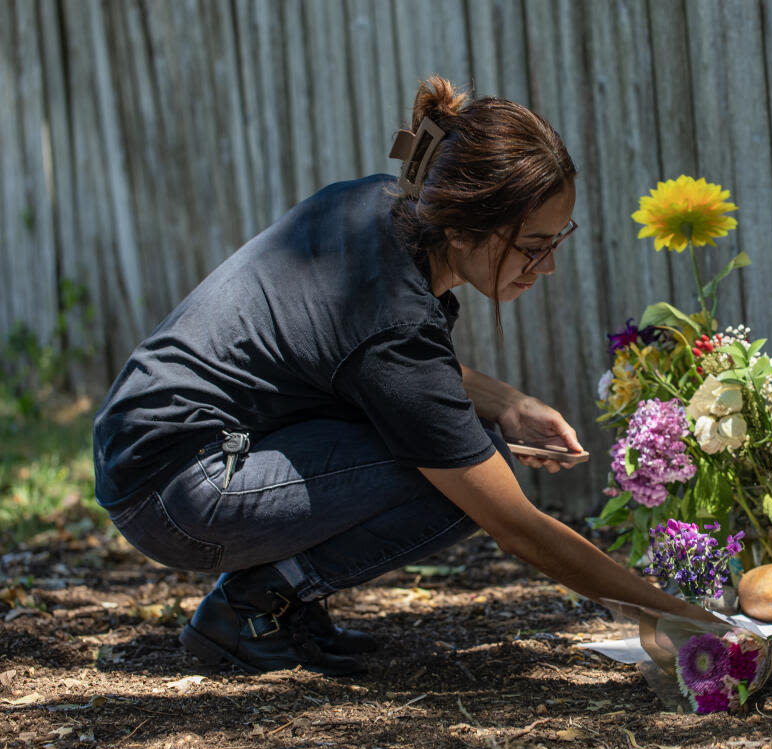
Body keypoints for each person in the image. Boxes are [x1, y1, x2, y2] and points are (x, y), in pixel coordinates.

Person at [93, 76, 713, 676]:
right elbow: (517, 526)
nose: (546, 267)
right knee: (462, 476)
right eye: (532, 246)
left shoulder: (373, 206)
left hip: (157, 452)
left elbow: (369, 362)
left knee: (463, 442)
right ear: (466, 224)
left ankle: (271, 602)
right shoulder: (393, 316)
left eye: (558, 240)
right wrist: (679, 619)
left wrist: (507, 402)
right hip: (179, 490)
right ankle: (253, 605)